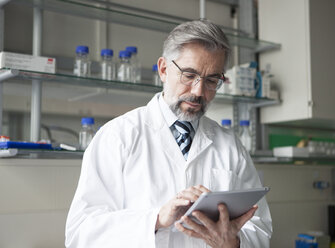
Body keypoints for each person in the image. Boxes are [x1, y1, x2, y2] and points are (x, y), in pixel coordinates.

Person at [65, 19, 272, 248]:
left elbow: (260, 227)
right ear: (163, 69)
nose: (198, 91)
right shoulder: (118, 137)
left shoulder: (230, 146)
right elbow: (81, 234)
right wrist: (156, 219)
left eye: (212, 80)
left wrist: (234, 243)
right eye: (189, 75)